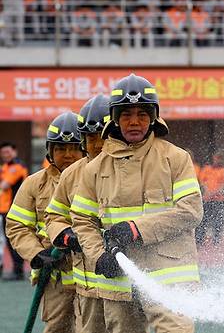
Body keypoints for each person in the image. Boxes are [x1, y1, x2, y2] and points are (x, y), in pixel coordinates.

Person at [70, 74, 202, 333]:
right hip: (119, 281)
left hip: (170, 276)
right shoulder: (94, 169)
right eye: (126, 114)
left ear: (153, 117)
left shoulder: (176, 158)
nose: (134, 122)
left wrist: (136, 228)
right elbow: (83, 221)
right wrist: (98, 256)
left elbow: (191, 210)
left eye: (142, 114)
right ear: (115, 119)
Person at [5, 112, 84, 332]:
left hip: (91, 277)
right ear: (49, 151)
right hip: (54, 277)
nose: (68, 155)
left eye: (74, 148)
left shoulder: (97, 178)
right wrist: (37, 254)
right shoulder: (33, 184)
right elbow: (17, 225)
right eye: (60, 148)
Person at [45, 95, 109, 333]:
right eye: (91, 137)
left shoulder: (131, 166)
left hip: (125, 279)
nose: (97, 144)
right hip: (87, 278)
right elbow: (54, 216)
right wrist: (65, 235)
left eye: (103, 136)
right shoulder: (72, 174)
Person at [0, 142, 29, 280]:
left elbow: (4, 185)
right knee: (5, 241)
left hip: (14, 209)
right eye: (3, 152)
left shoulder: (17, 166)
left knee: (13, 240)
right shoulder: (5, 167)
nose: (6, 155)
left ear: (14, 152)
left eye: (8, 152)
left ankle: (18, 271)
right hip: (4, 209)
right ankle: (15, 270)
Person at [196, 153, 224, 246]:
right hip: (207, 199)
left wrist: (213, 193)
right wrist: (208, 192)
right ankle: (200, 239)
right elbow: (202, 182)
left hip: (218, 199)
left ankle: (216, 240)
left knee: (217, 220)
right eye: (217, 158)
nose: (218, 160)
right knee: (203, 220)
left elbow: (223, 184)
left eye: (220, 159)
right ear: (213, 159)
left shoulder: (223, 170)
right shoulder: (206, 169)